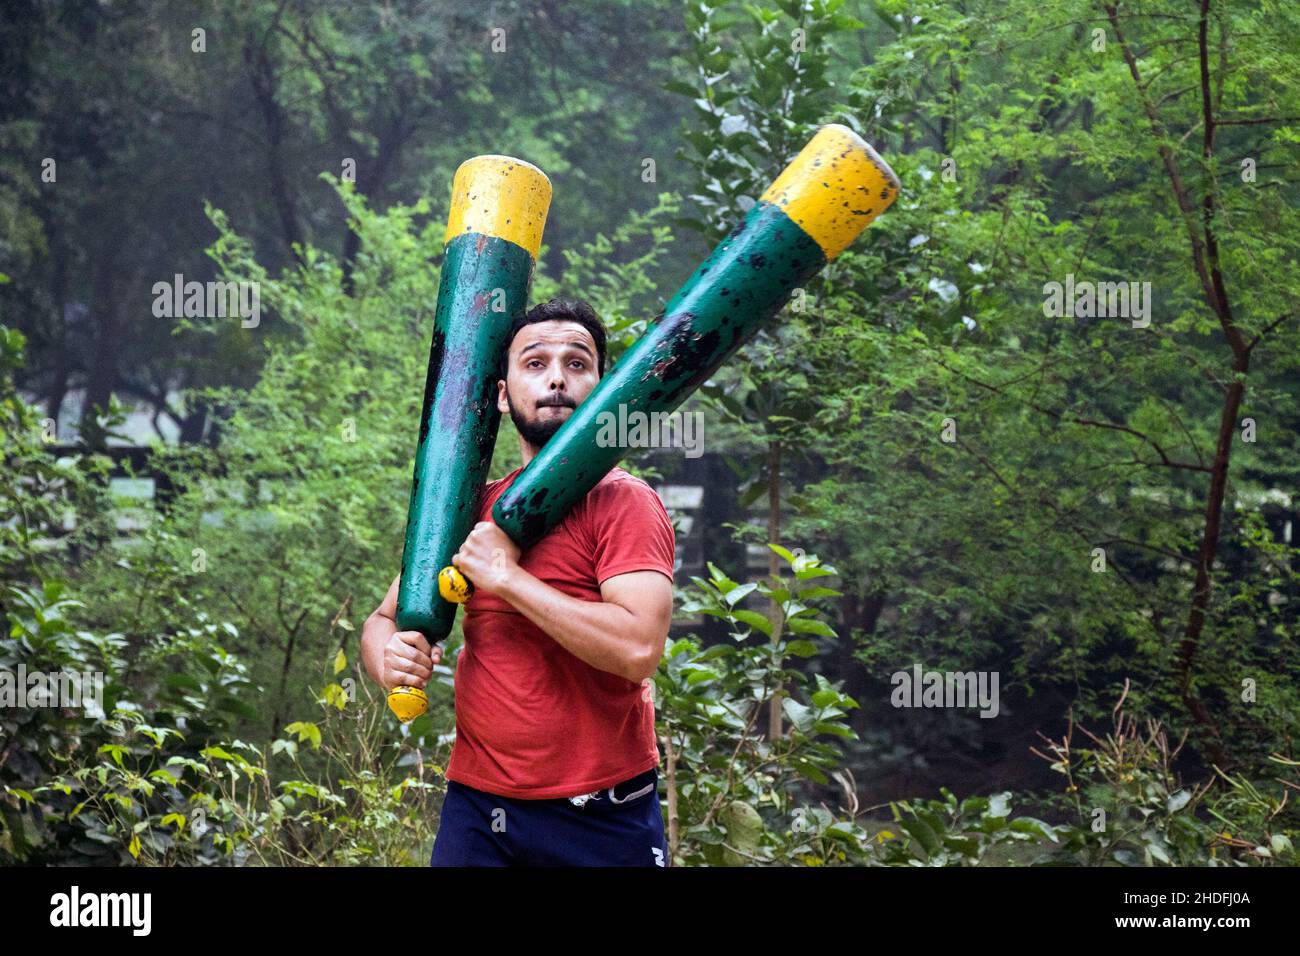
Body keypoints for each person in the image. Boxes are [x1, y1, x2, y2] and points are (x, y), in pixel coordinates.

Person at [360, 297, 676, 867]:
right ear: (503, 394)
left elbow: (636, 649)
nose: (557, 376)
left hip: (602, 814)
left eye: (577, 363)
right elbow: (382, 621)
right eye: (535, 363)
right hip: (479, 811)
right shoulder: (468, 506)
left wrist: (507, 580)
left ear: (603, 387)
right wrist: (390, 658)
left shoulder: (624, 503)